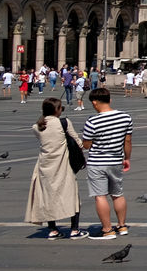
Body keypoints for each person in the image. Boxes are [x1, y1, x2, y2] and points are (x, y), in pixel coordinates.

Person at [27, 98, 87, 239]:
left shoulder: (36, 126)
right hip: (63, 165)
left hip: (44, 166)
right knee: (72, 196)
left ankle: (53, 230)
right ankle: (74, 229)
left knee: (48, 197)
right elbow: (78, 142)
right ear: (57, 110)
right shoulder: (64, 123)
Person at [80, 86, 133, 241]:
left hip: (97, 162)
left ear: (94, 103)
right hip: (116, 160)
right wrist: (127, 158)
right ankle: (122, 226)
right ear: (110, 99)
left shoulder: (92, 121)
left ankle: (107, 229)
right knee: (117, 194)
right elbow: (128, 141)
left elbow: (87, 145)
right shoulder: (125, 117)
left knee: (100, 196)